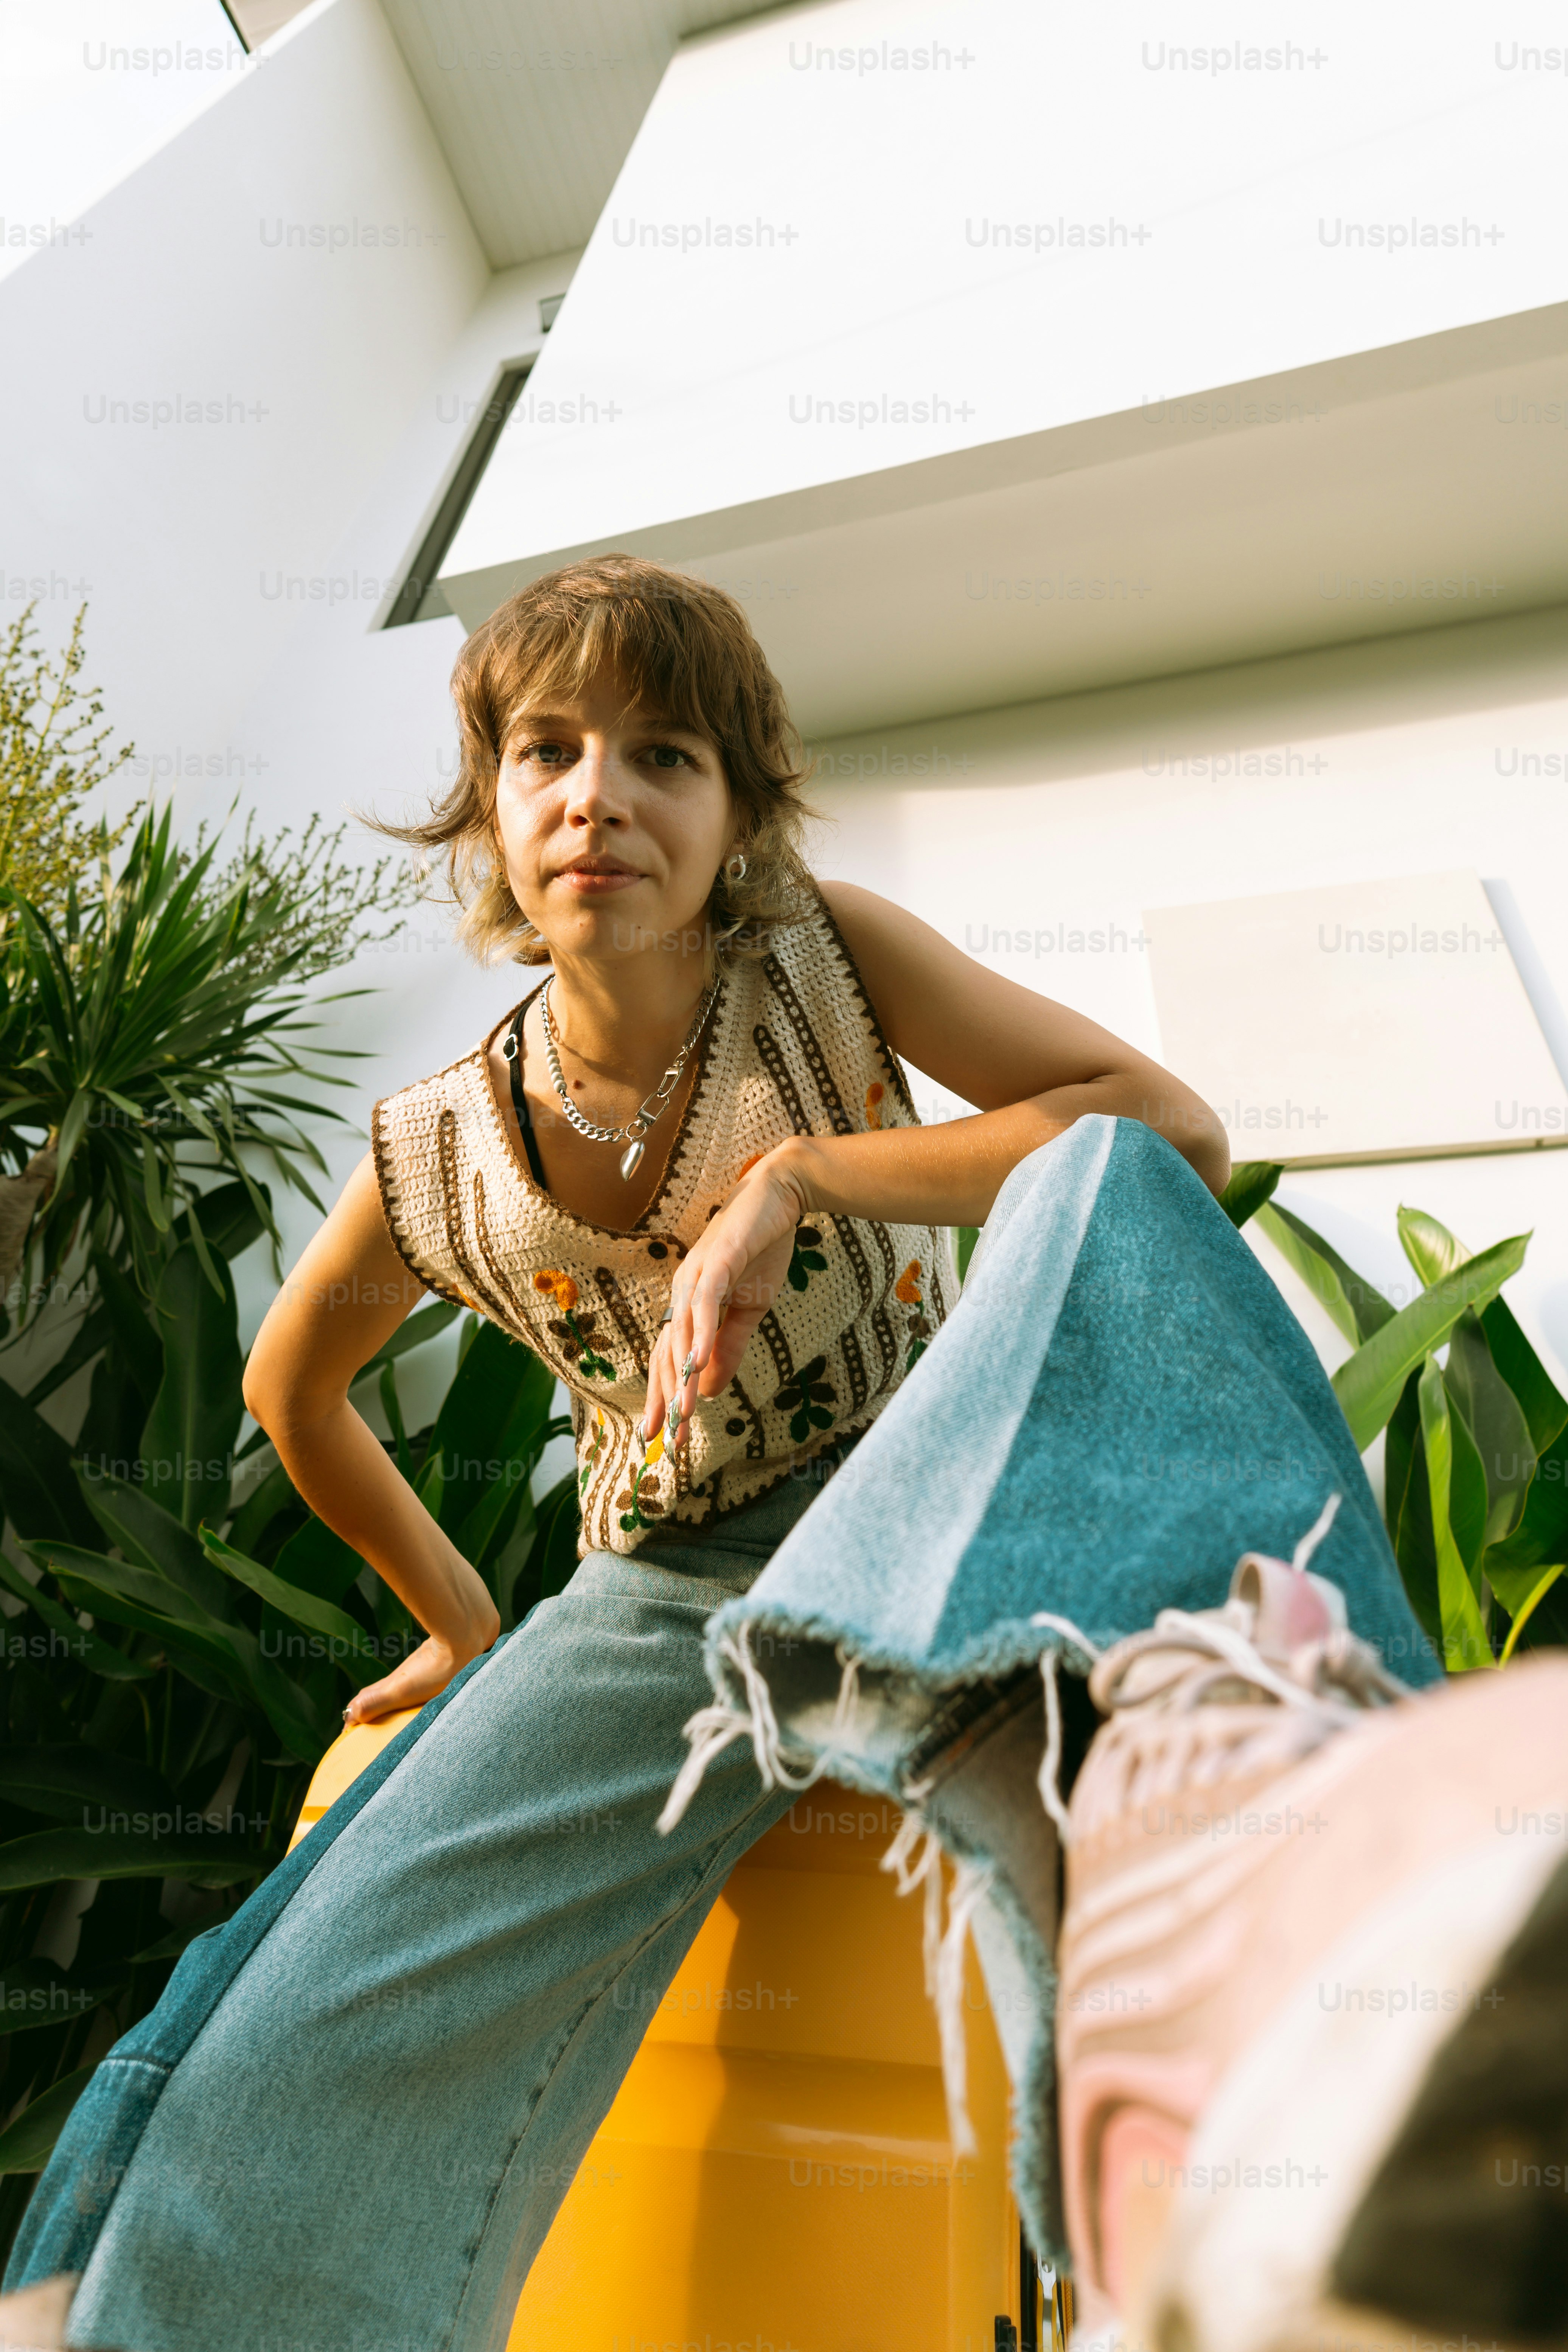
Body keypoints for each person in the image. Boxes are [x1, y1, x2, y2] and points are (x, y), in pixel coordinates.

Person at [0, 558, 1462, 2352]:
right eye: (545, 750)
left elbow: (1175, 1126)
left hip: (932, 1484)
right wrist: (458, 1624)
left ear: (737, 816)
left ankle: (1280, 1830)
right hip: (664, 1597)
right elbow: (290, 1390)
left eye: (663, 753)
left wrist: (803, 1176)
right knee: (283, 2041)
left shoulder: (825, 960)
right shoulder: (440, 1149)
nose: (595, 794)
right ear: (491, 807)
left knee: (1101, 1185)